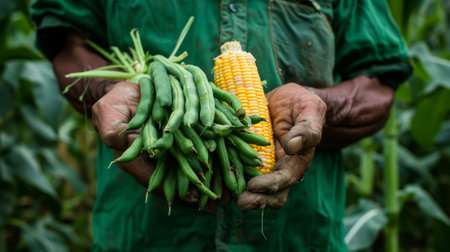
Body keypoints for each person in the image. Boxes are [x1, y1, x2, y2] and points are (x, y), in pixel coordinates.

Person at [31, 0, 412, 251]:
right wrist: (115, 94)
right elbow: (66, 42)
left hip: (298, 237)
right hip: (145, 236)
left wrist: (321, 106)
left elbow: (380, 78)